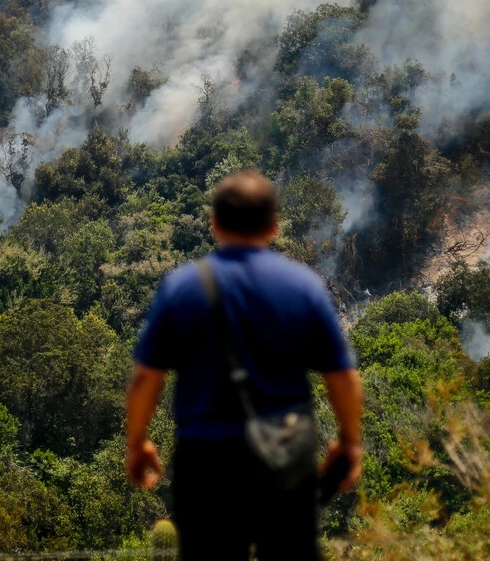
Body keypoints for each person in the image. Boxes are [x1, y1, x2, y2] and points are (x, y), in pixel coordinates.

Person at [125, 170, 363, 561]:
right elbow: (342, 379)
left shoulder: (180, 288)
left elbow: (145, 380)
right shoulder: (303, 287)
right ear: (273, 226)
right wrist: (350, 441)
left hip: (206, 465)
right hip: (284, 460)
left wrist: (137, 443)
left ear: (214, 224)